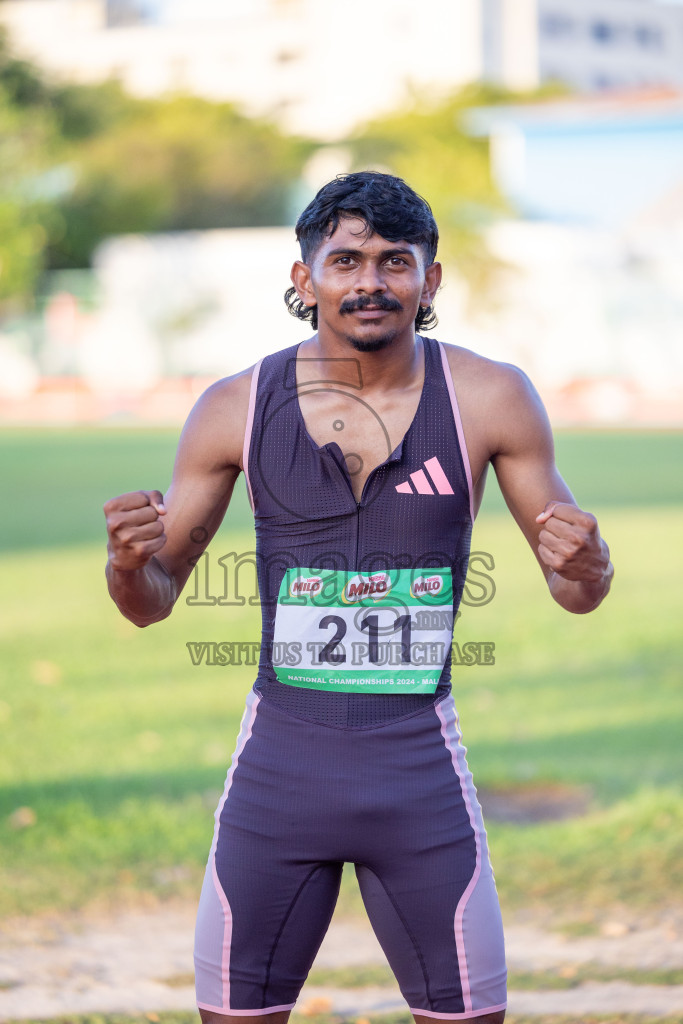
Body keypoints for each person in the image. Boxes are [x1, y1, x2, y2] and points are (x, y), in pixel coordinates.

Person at [104, 171, 613, 1024]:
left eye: (393, 261)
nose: (369, 281)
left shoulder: (489, 397)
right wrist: (127, 564)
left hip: (418, 774)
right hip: (277, 774)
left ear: (430, 280)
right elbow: (152, 600)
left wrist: (589, 562)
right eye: (343, 261)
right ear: (305, 281)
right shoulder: (234, 407)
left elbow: (573, 590)